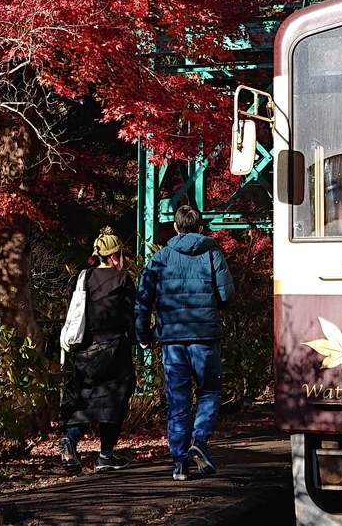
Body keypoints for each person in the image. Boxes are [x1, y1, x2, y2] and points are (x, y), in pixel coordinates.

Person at [135, 204, 235, 481]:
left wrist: (143, 335)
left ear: (176, 227)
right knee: (210, 390)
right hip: (205, 338)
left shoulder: (160, 258)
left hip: (172, 340)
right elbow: (226, 296)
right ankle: (198, 442)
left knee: (178, 401)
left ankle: (180, 463)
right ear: (201, 228)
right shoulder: (213, 254)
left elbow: (142, 300)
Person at [58, 227, 136, 473]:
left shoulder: (82, 278)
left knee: (84, 398)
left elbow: (74, 311)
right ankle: (105, 455)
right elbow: (130, 315)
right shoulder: (122, 279)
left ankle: (70, 439)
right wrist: (138, 338)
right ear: (114, 256)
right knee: (113, 401)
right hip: (114, 348)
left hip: (85, 350)